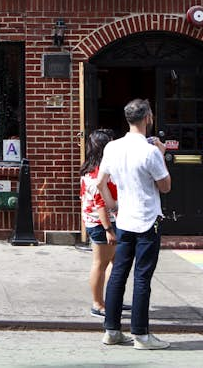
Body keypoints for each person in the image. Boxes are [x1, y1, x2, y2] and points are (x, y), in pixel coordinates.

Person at [95, 98, 171, 350]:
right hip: (148, 220)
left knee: (117, 275)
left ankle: (111, 330)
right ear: (148, 117)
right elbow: (165, 186)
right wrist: (161, 154)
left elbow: (100, 182)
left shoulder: (112, 147)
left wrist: (113, 206)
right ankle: (141, 334)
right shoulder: (150, 152)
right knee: (142, 278)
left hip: (124, 219)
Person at [79, 128, 118, 317]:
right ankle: (98, 303)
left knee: (115, 262)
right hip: (101, 223)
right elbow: (101, 204)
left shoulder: (89, 168)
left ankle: (110, 300)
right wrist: (109, 229)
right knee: (101, 263)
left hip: (95, 221)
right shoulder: (99, 173)